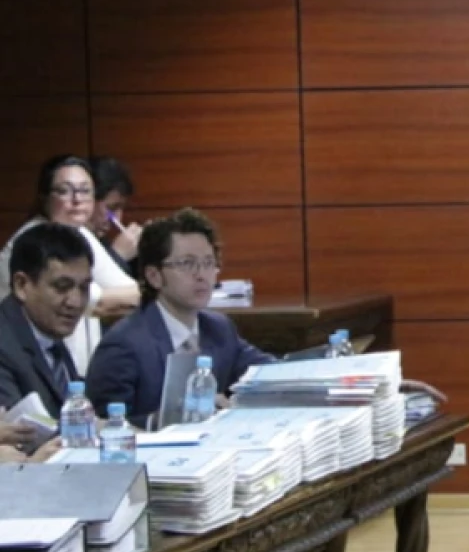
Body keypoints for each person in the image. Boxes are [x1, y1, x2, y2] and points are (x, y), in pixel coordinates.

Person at [87, 208, 273, 425]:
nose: (201, 275)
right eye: (187, 263)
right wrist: (179, 418)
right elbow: (105, 426)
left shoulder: (218, 327)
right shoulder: (124, 344)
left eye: (208, 263)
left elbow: (266, 371)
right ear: (154, 276)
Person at [0, 155, 140, 375]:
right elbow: (102, 303)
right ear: (45, 198)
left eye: (85, 191)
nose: (77, 200)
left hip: (70, 367)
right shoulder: (33, 238)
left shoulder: (79, 232)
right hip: (23, 362)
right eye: (65, 191)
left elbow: (130, 292)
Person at [0, 223, 94, 461]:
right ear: (22, 285)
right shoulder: (4, 343)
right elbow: (15, 442)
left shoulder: (48, 334)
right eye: (62, 287)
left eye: (84, 288)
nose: (75, 302)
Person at [89, 155, 142, 276]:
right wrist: (117, 255)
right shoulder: (69, 245)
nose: (117, 219)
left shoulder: (101, 243)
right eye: (111, 208)